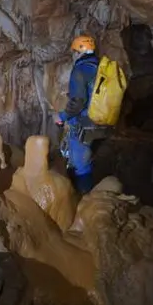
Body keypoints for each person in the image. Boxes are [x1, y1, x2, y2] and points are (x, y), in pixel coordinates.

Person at [54, 34, 100, 194]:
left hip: (83, 124)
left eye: (74, 52)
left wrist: (61, 117)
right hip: (100, 122)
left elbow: (78, 101)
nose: (73, 55)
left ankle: (84, 198)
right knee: (87, 159)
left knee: (81, 164)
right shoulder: (100, 67)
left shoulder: (80, 70)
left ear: (79, 52)